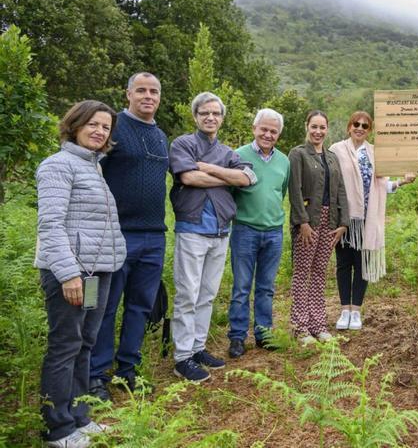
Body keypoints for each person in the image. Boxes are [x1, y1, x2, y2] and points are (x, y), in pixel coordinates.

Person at [35, 100, 126, 447]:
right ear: (74, 124)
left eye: (105, 127)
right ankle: (57, 429)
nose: (100, 131)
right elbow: (51, 225)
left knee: (85, 342)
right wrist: (69, 274)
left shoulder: (93, 166)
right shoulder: (58, 166)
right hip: (71, 274)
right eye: (94, 124)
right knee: (65, 345)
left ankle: (79, 417)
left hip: (96, 271)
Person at [89, 72, 168, 401]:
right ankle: (95, 375)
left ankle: (127, 370)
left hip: (155, 235)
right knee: (105, 307)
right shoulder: (114, 127)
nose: (148, 96)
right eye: (141, 91)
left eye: (153, 91)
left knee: (140, 306)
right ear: (128, 95)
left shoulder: (162, 135)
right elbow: (90, 169)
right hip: (118, 234)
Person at [169, 92, 255, 382]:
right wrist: (225, 177)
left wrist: (207, 168)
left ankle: (198, 348)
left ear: (221, 118)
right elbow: (189, 178)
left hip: (220, 231)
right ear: (195, 116)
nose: (210, 117)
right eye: (204, 113)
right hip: (192, 229)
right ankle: (182, 357)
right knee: (187, 295)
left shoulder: (229, 152)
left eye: (216, 113)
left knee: (207, 294)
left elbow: (245, 179)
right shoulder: (183, 144)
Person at [329, 111, 414, 332]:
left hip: (367, 219)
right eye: (356, 124)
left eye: (365, 126)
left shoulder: (375, 153)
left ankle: (356, 310)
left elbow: (382, 185)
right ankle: (344, 310)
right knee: (343, 264)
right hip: (344, 219)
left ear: (370, 130)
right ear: (349, 126)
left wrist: (401, 182)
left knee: (362, 264)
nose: (359, 128)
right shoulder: (336, 150)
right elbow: (331, 183)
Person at [227, 109, 291, 358]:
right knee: (242, 287)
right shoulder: (238, 155)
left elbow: (281, 192)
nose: (268, 134)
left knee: (266, 287)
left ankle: (264, 333)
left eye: (273, 131)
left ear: (279, 134)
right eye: (264, 129)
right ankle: (237, 337)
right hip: (245, 229)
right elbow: (230, 192)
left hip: (273, 232)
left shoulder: (284, 161)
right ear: (254, 128)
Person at [288, 110, 348, 345]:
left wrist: (343, 223)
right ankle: (300, 327)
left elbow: (340, 189)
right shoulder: (298, 154)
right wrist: (302, 222)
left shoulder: (332, 157)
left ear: (327, 129)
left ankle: (319, 325)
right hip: (308, 221)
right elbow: (294, 190)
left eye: (322, 127)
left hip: (330, 220)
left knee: (320, 273)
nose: (318, 131)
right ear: (307, 127)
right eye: (314, 126)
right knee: (303, 273)